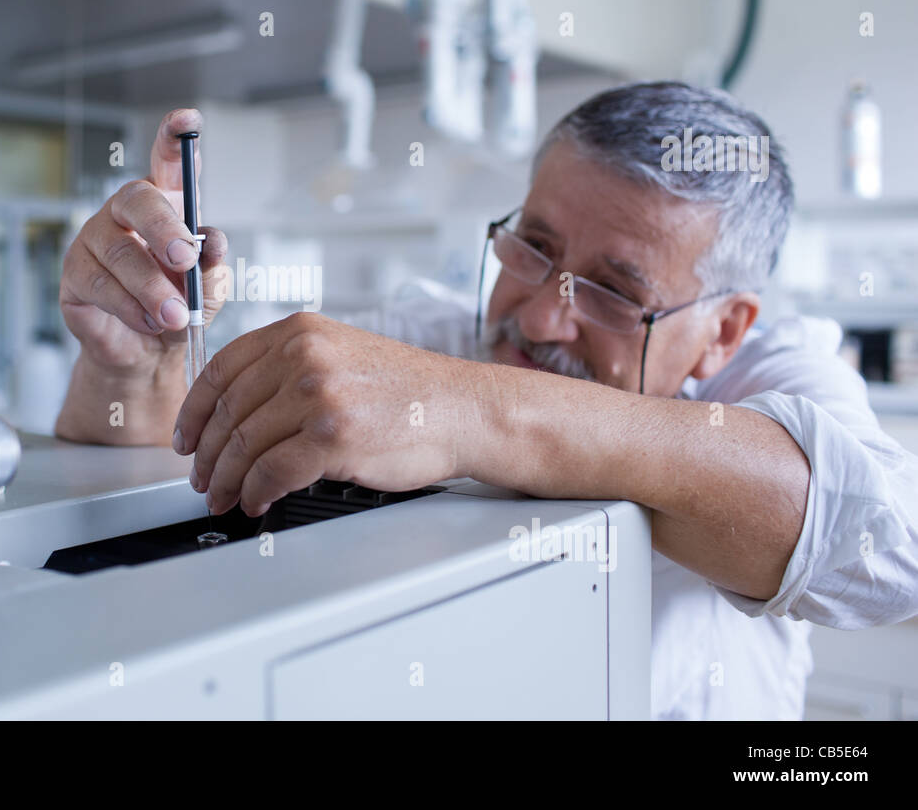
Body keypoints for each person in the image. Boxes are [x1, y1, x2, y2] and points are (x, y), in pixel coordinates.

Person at [54, 82, 918, 719]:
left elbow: (888, 558)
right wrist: (136, 363)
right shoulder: (440, 324)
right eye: (532, 247)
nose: (542, 314)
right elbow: (159, 441)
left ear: (726, 329)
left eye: (615, 292)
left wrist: (471, 406)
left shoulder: (772, 370)